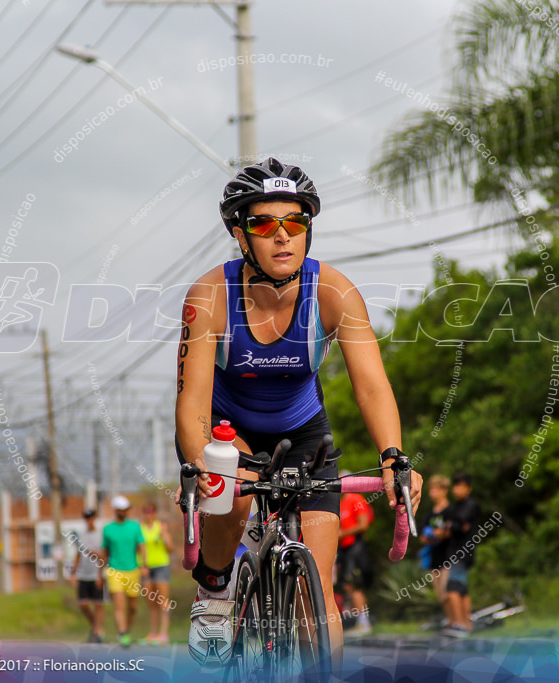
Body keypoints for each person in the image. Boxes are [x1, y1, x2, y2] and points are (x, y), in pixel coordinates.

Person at [175, 157, 423, 668]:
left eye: (296, 223)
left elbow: (372, 386)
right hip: (229, 432)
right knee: (235, 499)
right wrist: (203, 462)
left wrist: (394, 457)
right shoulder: (210, 295)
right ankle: (217, 592)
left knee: (319, 589)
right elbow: (192, 398)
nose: (282, 236)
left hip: (306, 435)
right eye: (265, 224)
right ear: (241, 237)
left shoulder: (333, 291)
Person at [100, 495, 147, 648]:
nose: (124, 512)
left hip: (133, 570)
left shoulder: (135, 526)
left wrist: (144, 565)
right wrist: (100, 573)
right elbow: (104, 552)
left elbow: (142, 546)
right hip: (114, 571)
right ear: (115, 510)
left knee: (133, 607)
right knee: (119, 605)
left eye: (126, 509)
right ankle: (122, 633)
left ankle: (127, 630)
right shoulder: (108, 529)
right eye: (121, 510)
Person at [337, 476, 374, 635]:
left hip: (355, 547)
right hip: (345, 549)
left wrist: (342, 533)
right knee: (347, 584)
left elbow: (363, 524)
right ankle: (358, 621)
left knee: (354, 583)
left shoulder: (355, 498)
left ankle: (364, 622)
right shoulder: (342, 502)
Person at [444, 472, 479, 635]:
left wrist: (451, 525)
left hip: (463, 552)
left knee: (453, 588)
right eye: (455, 486)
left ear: (468, 488)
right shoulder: (456, 506)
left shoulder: (470, 505)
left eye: (461, 486)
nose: (457, 490)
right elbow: (455, 524)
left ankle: (459, 625)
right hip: (457, 551)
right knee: (463, 589)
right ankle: (467, 625)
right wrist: (452, 525)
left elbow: (459, 525)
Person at [420, 475, 454, 631]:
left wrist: (440, 533)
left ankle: (456, 621)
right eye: (431, 489)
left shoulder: (450, 511)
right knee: (440, 594)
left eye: (436, 489)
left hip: (448, 556)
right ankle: (448, 621)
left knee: (448, 590)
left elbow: (450, 532)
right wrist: (433, 536)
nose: (432, 493)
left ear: (444, 490)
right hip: (434, 557)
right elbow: (422, 537)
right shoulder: (430, 515)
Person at [139, 501, 173, 646]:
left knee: (163, 601)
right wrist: (142, 565)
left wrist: (164, 534)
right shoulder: (140, 529)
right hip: (146, 567)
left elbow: (170, 548)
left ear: (155, 513)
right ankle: (153, 634)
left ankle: (164, 634)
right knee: (151, 602)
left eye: (152, 511)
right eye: (146, 511)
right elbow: (138, 548)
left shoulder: (161, 527)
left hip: (161, 566)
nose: (149, 514)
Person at [71, 508, 106, 643]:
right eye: (86, 517)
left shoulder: (100, 534)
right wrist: (73, 572)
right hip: (83, 574)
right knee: (83, 604)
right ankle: (96, 628)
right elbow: (78, 554)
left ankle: (97, 631)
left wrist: (99, 575)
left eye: (91, 517)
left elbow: (103, 556)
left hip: (96, 574)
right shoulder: (81, 534)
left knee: (98, 604)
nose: (88, 520)